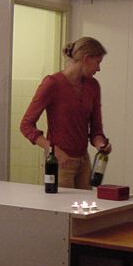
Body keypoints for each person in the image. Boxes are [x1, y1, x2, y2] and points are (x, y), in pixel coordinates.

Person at [20, 36, 112, 189]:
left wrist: (101, 144)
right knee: (61, 204)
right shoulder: (52, 83)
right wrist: (52, 149)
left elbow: (96, 128)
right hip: (60, 162)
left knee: (86, 204)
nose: (98, 68)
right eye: (97, 62)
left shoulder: (93, 86)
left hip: (83, 161)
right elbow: (26, 125)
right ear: (86, 59)